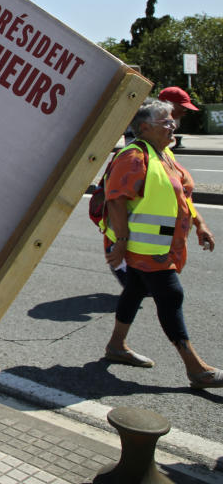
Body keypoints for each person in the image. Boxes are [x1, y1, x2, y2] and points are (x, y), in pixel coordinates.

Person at [101, 98, 222, 388]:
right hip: (145, 248)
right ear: (145, 127)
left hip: (162, 244)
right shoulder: (134, 156)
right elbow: (115, 200)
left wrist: (199, 224)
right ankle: (197, 369)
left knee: (135, 290)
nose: (174, 126)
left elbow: (182, 197)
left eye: (172, 121)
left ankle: (116, 346)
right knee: (170, 297)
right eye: (166, 122)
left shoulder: (162, 155)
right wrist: (120, 242)